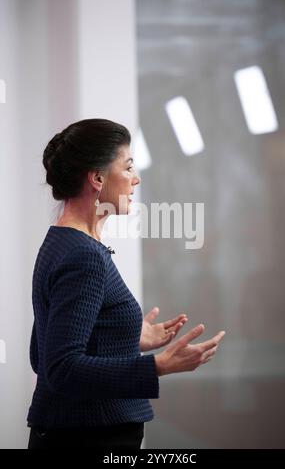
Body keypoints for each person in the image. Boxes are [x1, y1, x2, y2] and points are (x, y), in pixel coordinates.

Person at [27, 118, 225, 449]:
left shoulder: (62, 242)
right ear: (97, 178)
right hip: (86, 437)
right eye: (129, 166)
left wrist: (127, 338)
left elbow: (42, 355)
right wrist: (157, 366)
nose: (136, 178)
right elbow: (61, 368)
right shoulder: (83, 256)